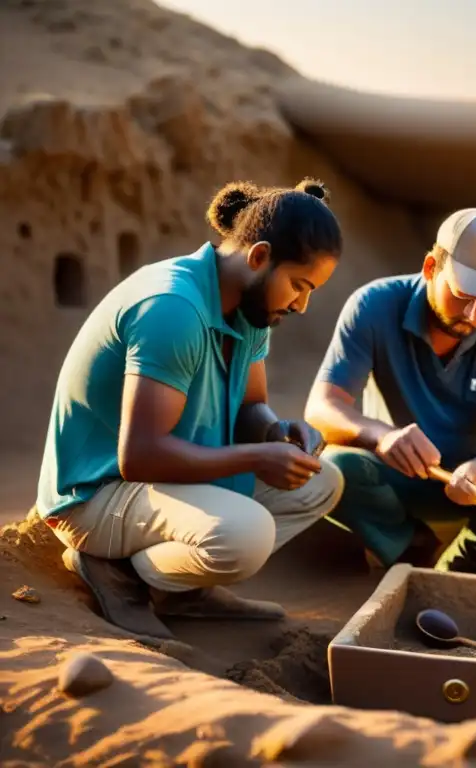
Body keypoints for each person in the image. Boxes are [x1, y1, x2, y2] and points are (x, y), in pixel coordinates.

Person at [36, 178, 346, 640]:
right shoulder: (173, 308)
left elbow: (251, 406)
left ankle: (185, 587)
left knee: (322, 481)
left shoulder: (250, 304)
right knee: (247, 535)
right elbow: (138, 455)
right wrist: (258, 458)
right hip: (95, 496)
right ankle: (117, 573)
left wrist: (276, 433)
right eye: (299, 285)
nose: (301, 304)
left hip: (159, 479)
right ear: (259, 257)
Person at [304, 207, 476, 575]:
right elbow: (321, 407)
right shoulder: (373, 305)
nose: (473, 313)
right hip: (392, 477)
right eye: (464, 294)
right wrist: (383, 437)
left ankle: (468, 562)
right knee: (331, 468)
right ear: (431, 267)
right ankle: (410, 549)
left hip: (475, 486)